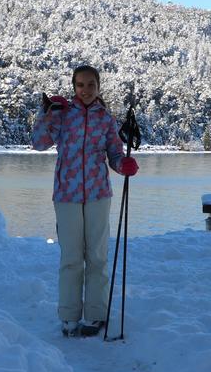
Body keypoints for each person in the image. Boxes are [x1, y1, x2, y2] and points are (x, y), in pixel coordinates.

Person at [31, 65, 139, 337]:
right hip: (66, 194)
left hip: (98, 194)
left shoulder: (105, 119)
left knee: (97, 257)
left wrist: (123, 164)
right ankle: (69, 317)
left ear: (98, 86)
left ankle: (95, 315)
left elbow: (115, 154)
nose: (86, 90)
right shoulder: (63, 115)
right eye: (81, 85)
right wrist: (46, 114)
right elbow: (39, 143)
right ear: (74, 87)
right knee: (70, 258)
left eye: (91, 84)